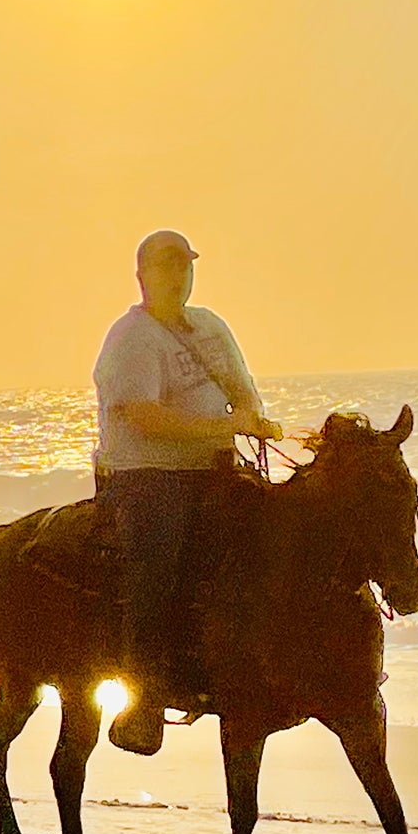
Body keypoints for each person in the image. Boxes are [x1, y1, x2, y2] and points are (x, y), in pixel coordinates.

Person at [93, 230, 281, 756]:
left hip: (215, 467)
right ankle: (143, 700)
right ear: (143, 277)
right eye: (166, 268)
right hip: (149, 475)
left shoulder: (211, 326)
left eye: (185, 267)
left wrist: (257, 419)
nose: (178, 277)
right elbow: (145, 417)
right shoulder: (131, 338)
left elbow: (242, 387)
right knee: (159, 564)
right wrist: (224, 430)